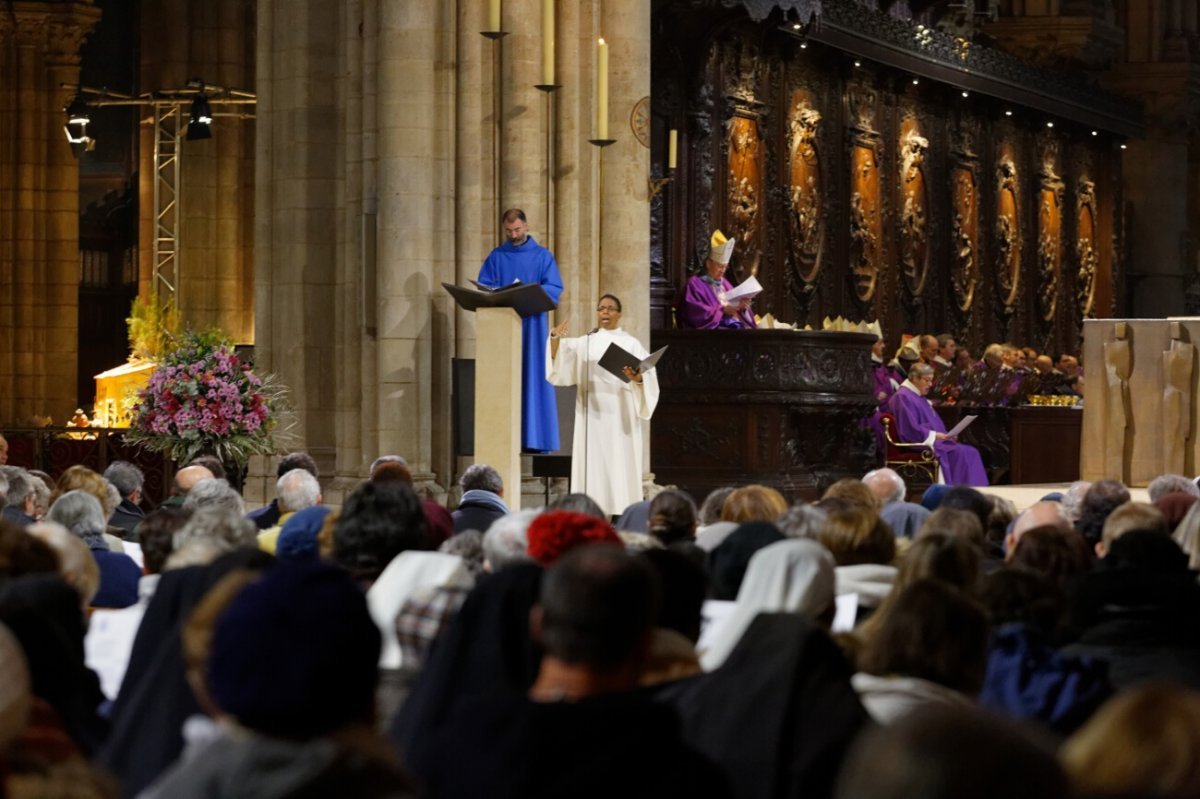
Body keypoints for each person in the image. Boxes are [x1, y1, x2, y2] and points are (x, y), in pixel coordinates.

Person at [547, 293, 660, 517]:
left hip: (621, 413)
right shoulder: (586, 341)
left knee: (620, 462)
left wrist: (637, 378)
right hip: (592, 410)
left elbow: (647, 376)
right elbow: (559, 365)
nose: (605, 312)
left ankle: (621, 514)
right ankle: (590, 512)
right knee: (593, 465)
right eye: (601, 308)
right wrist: (554, 339)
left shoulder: (631, 343)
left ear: (619, 314)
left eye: (610, 308)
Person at [477, 208, 564, 453]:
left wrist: (530, 292)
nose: (513, 235)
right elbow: (485, 286)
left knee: (533, 376)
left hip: (533, 324)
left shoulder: (542, 256)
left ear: (526, 226)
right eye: (508, 230)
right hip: (504, 326)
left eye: (517, 229)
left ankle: (535, 438)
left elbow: (555, 286)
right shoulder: (497, 256)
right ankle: (499, 434)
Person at [885, 363, 988, 486]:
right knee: (963, 453)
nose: (930, 384)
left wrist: (946, 435)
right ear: (914, 378)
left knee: (970, 452)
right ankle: (958, 492)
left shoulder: (918, 396)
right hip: (921, 443)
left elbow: (933, 423)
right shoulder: (902, 397)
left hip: (934, 442)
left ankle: (972, 491)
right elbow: (909, 430)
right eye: (926, 380)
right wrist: (935, 436)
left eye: (931, 380)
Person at [676, 230, 757, 329]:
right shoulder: (694, 284)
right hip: (708, 338)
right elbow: (695, 313)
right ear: (708, 264)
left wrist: (742, 308)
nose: (722, 270)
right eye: (719, 266)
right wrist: (722, 310)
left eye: (725, 267)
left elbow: (738, 311)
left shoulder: (725, 284)